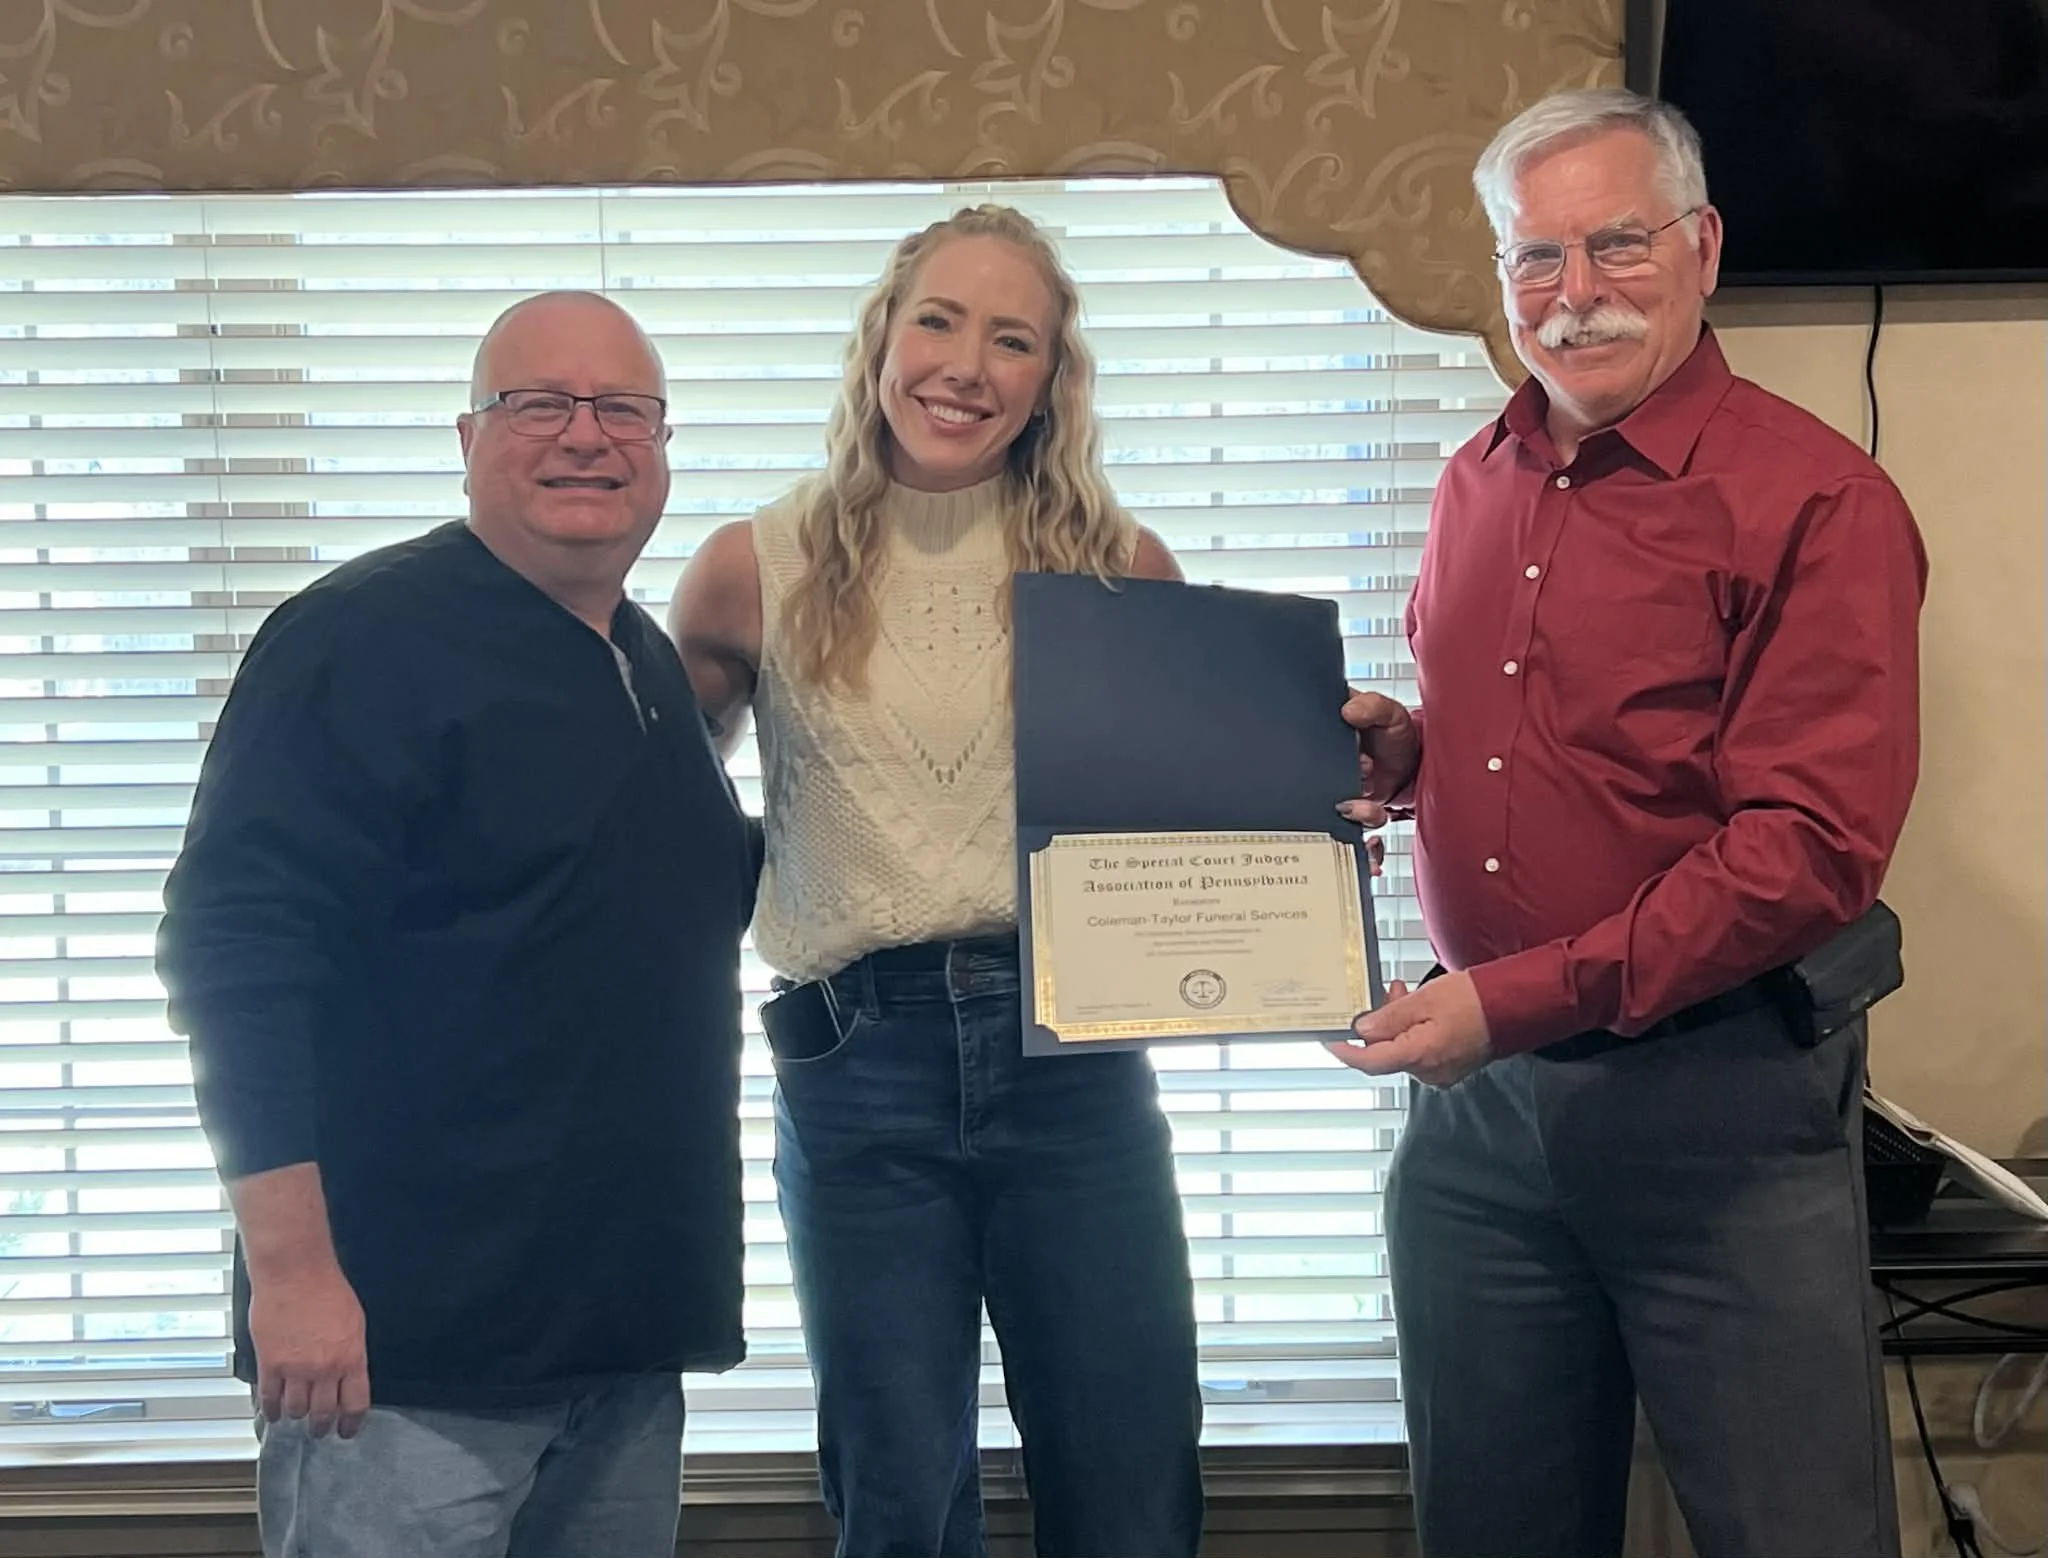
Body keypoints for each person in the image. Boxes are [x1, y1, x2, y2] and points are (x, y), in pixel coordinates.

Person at [1328, 88, 1925, 1558]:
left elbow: (1804, 850)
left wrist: (1511, 1004)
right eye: (1536, 257)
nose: (1574, 295)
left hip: (1717, 1107)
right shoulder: (1476, 479)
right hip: (1474, 1123)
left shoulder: (1820, 502)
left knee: (1797, 1534)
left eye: (1617, 246)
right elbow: (1546, 732)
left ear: (1703, 246)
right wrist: (1409, 755)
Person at [156, 290, 758, 1558]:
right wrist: (294, 1275)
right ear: (468, 437)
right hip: (403, 1360)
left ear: (662, 446)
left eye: (623, 411)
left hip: (620, 1348)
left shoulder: (644, 661)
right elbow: (234, 952)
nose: (585, 436)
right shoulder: (359, 638)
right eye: (538, 404)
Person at [668, 203, 1205, 1558]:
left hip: (1075, 1057)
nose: (966, 364)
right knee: (899, 1495)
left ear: (1049, 380)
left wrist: (1333, 771)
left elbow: (1210, 825)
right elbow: (655, 828)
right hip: (857, 1069)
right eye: (940, 320)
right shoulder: (752, 569)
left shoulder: (1122, 571)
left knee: (1131, 1481)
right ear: (883, 338)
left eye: (1010, 337)